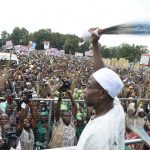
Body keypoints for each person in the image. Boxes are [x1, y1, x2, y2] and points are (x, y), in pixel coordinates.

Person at [76, 28, 125, 150]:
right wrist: (95, 44)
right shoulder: (116, 109)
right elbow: (102, 76)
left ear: (102, 94)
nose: (84, 91)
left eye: (88, 86)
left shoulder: (96, 134)